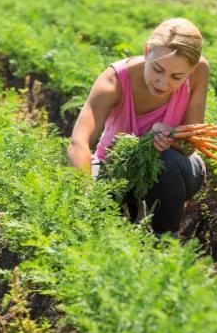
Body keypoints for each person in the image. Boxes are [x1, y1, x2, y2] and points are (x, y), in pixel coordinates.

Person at [67, 18, 209, 238]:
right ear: (146, 51)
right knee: (94, 215)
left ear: (191, 69)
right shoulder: (113, 81)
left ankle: (164, 240)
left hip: (176, 172)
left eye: (177, 77)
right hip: (116, 167)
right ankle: (125, 217)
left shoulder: (199, 71)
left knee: (166, 161)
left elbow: (191, 142)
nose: (163, 83)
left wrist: (169, 138)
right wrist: (89, 194)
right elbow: (79, 143)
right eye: (157, 69)